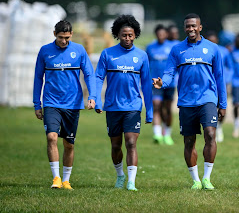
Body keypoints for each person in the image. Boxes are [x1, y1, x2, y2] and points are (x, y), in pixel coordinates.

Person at [153, 13, 227, 190]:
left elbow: (220, 78)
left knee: (210, 134)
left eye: (194, 26)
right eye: (188, 26)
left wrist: (222, 104)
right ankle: (196, 180)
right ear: (184, 28)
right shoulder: (177, 50)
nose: (191, 29)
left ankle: (207, 178)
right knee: (189, 141)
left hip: (208, 99)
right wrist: (163, 83)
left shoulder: (213, 49)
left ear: (200, 27)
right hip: (186, 102)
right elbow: (169, 73)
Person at [33, 20, 96, 190]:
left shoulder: (79, 50)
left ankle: (66, 180)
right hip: (51, 102)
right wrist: (36, 103)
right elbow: (38, 78)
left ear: (71, 35)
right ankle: (56, 178)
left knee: (69, 144)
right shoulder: (45, 51)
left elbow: (89, 74)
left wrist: (93, 96)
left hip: (72, 104)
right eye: (60, 37)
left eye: (67, 38)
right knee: (51, 137)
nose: (63, 41)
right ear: (54, 34)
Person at [95, 15, 153, 191]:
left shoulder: (142, 56)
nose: (127, 38)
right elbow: (98, 77)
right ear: (117, 35)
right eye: (124, 35)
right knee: (115, 145)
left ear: (135, 35)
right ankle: (120, 175)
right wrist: (97, 100)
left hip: (133, 107)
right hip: (112, 107)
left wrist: (149, 111)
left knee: (131, 142)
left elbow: (146, 84)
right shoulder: (107, 54)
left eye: (130, 35)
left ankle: (131, 182)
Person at [146, 24, 175, 145]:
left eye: (163, 34)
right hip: (155, 83)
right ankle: (157, 134)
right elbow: (146, 64)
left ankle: (167, 134)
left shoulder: (172, 47)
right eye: (159, 34)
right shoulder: (150, 47)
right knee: (156, 106)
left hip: (170, 83)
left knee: (167, 109)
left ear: (167, 35)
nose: (161, 36)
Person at [205, 31, 233, 142]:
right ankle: (212, 128)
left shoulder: (224, 51)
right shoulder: (204, 51)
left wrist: (228, 79)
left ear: (217, 41)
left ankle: (220, 126)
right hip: (208, 85)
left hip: (221, 84)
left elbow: (230, 67)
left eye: (213, 41)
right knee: (210, 107)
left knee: (222, 106)